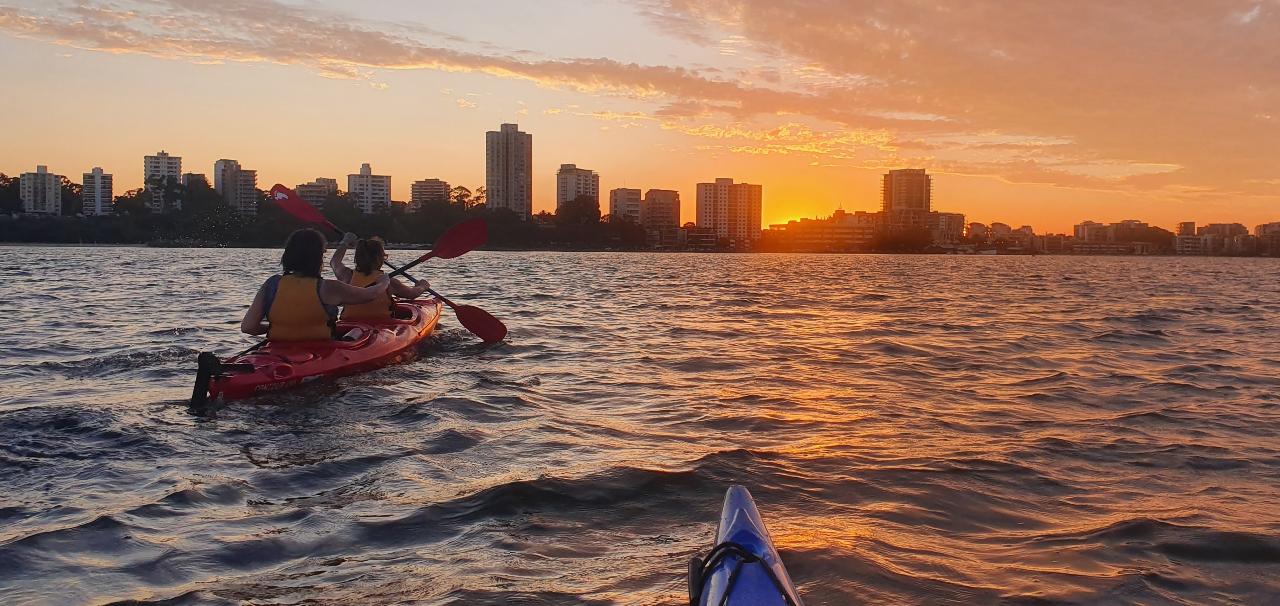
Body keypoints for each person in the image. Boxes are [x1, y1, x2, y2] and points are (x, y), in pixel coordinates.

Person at [240, 228, 390, 341]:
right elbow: (370, 294)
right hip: (322, 349)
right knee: (359, 330)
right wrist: (384, 282)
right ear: (318, 257)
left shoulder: (271, 284)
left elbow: (248, 327)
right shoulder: (329, 287)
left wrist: (283, 330)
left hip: (278, 349)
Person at [330, 233, 430, 320]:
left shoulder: (346, 276)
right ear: (381, 258)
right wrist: (422, 286)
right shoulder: (388, 282)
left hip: (349, 324)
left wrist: (345, 242)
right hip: (381, 326)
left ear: (357, 258)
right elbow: (412, 294)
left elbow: (334, 262)